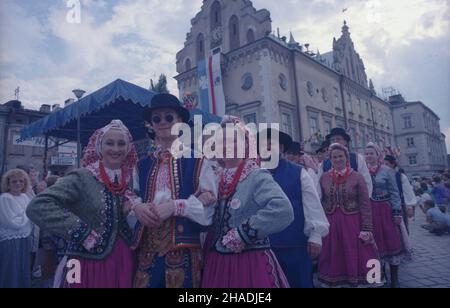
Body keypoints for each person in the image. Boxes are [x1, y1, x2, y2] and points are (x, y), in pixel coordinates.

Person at [27, 120, 139, 288]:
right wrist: (82, 232)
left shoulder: (129, 179)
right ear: (99, 146)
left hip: (124, 259)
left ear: (128, 147)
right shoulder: (82, 177)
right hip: (84, 260)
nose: (116, 149)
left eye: (121, 143)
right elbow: (38, 205)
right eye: (110, 143)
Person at [132, 94, 218, 288]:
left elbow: (211, 209)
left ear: (180, 121)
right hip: (147, 252)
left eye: (169, 117)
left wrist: (177, 207)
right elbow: (132, 198)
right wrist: (137, 208)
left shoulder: (198, 160)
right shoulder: (142, 164)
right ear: (151, 125)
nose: (163, 122)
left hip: (184, 252)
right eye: (157, 118)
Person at [201, 116, 294, 288]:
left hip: (248, 264)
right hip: (216, 264)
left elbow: (283, 209)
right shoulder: (213, 178)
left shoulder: (256, 175)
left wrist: (245, 232)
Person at [259, 129, 329, 288]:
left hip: (295, 244)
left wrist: (315, 236)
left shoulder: (298, 173)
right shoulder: (255, 174)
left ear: (281, 149)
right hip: (263, 246)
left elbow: (312, 205)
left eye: (272, 145)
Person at [318, 143, 379, 288]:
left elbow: (365, 204)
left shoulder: (357, 177)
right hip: (331, 224)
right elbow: (320, 202)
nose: (338, 159)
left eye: (340, 156)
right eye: (334, 157)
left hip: (353, 223)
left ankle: (361, 280)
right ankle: (337, 281)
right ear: (330, 159)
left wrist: (367, 228)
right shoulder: (324, 177)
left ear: (346, 158)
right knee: (335, 254)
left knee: (358, 253)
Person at [365, 142, 411, 288]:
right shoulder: (362, 171)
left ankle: (395, 278)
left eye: (371, 153)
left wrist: (397, 212)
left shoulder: (386, 170)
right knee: (373, 244)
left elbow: (394, 192)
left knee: (391, 242)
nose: (368, 156)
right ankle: (377, 277)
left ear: (378, 155)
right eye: (366, 153)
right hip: (370, 211)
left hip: (385, 210)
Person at [0, 169, 33, 288]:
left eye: (21, 181)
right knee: (10, 270)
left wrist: (26, 214)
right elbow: (12, 222)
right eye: (14, 182)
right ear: (8, 184)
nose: (18, 184)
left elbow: (30, 215)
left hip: (24, 237)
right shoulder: (5, 198)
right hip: (10, 239)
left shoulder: (25, 196)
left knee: (22, 268)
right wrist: (26, 214)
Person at [318, 128, 372, 197]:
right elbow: (319, 188)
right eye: (332, 140)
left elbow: (366, 182)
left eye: (338, 139)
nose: (335, 142)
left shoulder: (357, 159)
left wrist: (366, 200)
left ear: (345, 141)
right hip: (331, 205)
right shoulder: (324, 164)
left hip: (354, 204)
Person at [384, 156, 417, 232]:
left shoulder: (400, 176)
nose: (384, 166)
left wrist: (409, 207)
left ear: (392, 164)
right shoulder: (381, 176)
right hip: (386, 206)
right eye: (383, 164)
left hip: (400, 207)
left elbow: (408, 192)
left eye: (386, 164)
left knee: (402, 229)